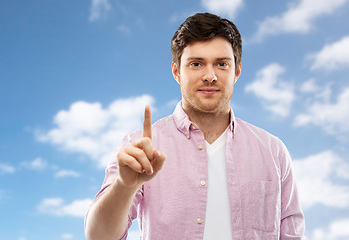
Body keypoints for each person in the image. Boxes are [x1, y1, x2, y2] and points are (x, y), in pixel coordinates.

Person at [84, 12, 305, 240]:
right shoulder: (139, 149)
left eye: (221, 64)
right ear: (177, 71)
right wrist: (124, 187)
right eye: (196, 64)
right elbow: (97, 236)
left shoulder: (273, 151)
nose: (210, 76)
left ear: (237, 71)